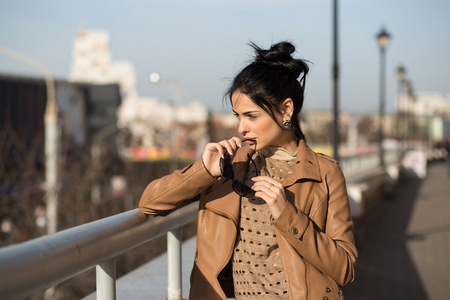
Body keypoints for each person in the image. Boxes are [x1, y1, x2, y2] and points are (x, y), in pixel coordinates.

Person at [139, 41, 357, 300]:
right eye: (237, 116)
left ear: (286, 109)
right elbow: (150, 204)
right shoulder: (230, 166)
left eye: (251, 116)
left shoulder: (325, 173)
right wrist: (204, 170)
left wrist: (288, 214)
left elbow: (345, 269)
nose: (241, 127)